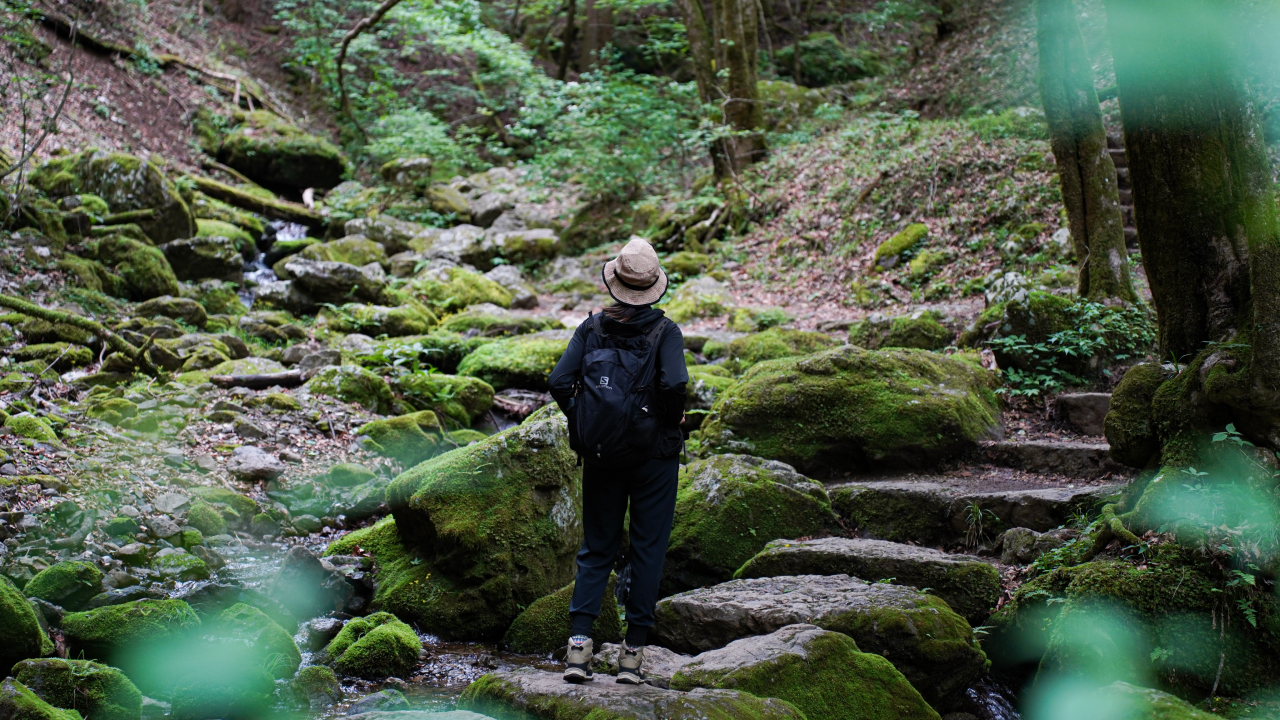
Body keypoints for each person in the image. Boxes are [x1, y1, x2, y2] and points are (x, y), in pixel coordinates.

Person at [547, 237, 688, 685]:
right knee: (648, 549)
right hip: (654, 457)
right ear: (654, 286)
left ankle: (578, 651)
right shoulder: (666, 333)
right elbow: (675, 385)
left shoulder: (591, 328)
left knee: (597, 548)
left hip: (602, 454)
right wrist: (670, 419)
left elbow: (558, 381)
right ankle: (631, 658)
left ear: (615, 283)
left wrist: (584, 420)